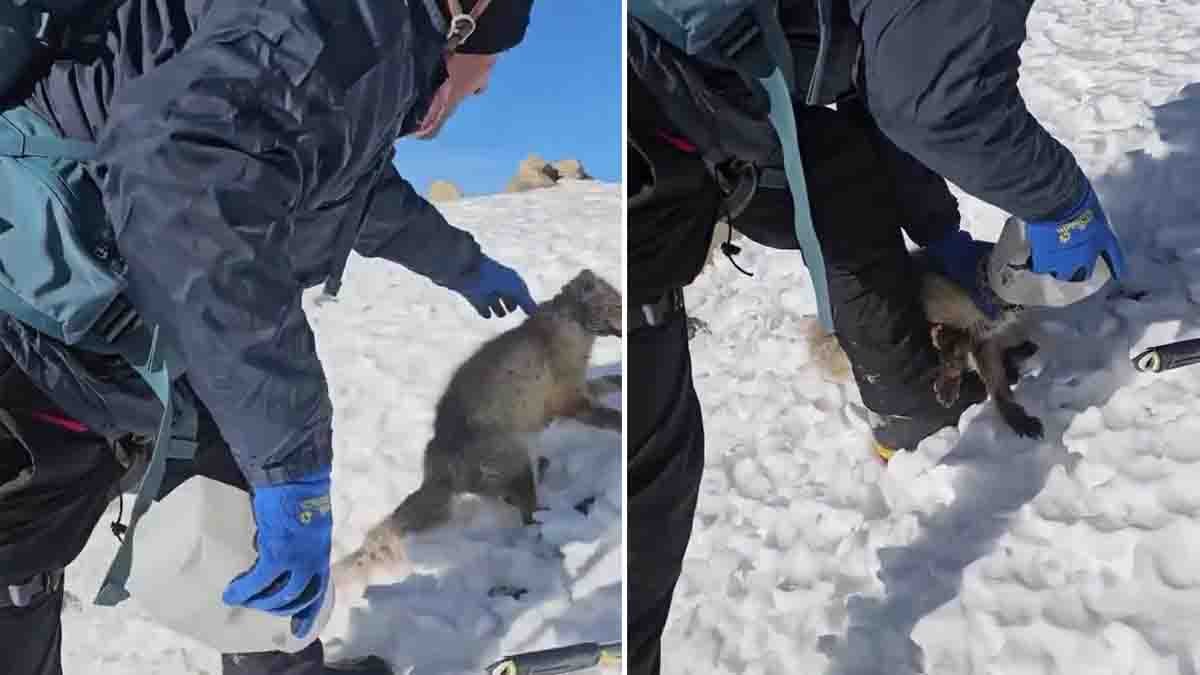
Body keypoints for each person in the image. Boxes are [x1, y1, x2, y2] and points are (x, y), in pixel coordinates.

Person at [0, 1, 537, 674]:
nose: (484, 89)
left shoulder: (374, 57)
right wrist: (292, 461)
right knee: (14, 574)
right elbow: (179, 166)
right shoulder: (362, 22)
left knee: (250, 529)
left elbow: (360, 192)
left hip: (127, 323)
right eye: (488, 69)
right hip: (39, 314)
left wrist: (466, 266)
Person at [626, 1, 1127, 673]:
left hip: (710, 89)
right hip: (680, 104)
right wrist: (1055, 200)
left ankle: (909, 379)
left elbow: (887, 93)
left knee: (845, 155)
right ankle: (909, 403)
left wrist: (939, 228)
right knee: (838, 176)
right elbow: (923, 96)